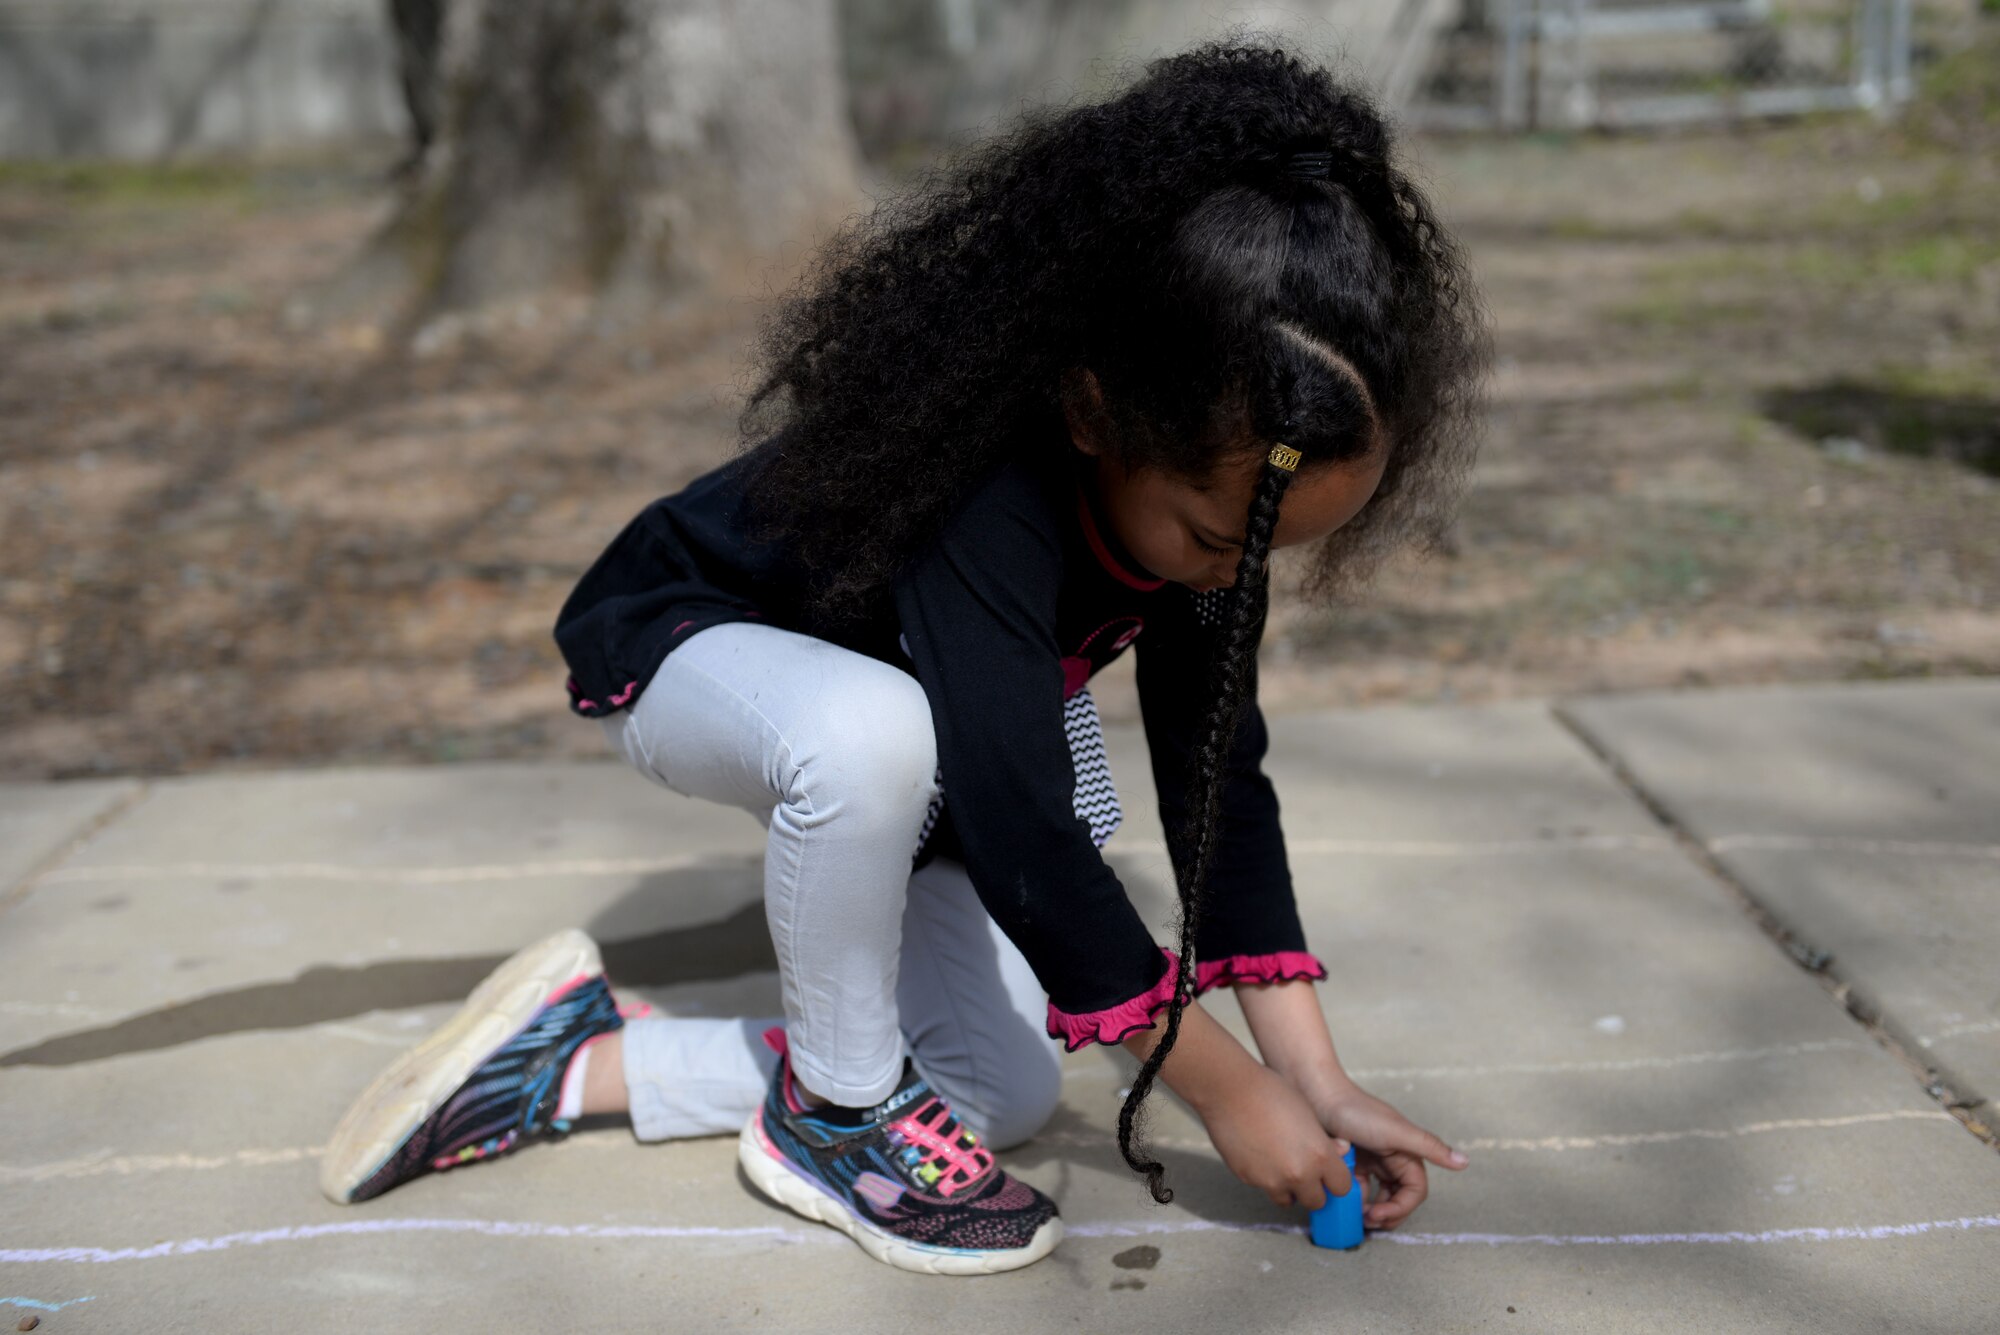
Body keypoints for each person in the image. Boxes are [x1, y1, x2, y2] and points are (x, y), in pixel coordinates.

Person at [319, 39, 1491, 1276]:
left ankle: (578, 1061)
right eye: (1211, 539)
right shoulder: (992, 484)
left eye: (1267, 557)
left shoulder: (1216, 511)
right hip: (695, 649)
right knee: (870, 731)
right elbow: (1026, 825)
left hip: (927, 737)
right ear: (1095, 412)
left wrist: (1309, 1080)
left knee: (1000, 1087)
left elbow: (1218, 783)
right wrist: (1214, 1083)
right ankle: (836, 1115)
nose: (1229, 577)